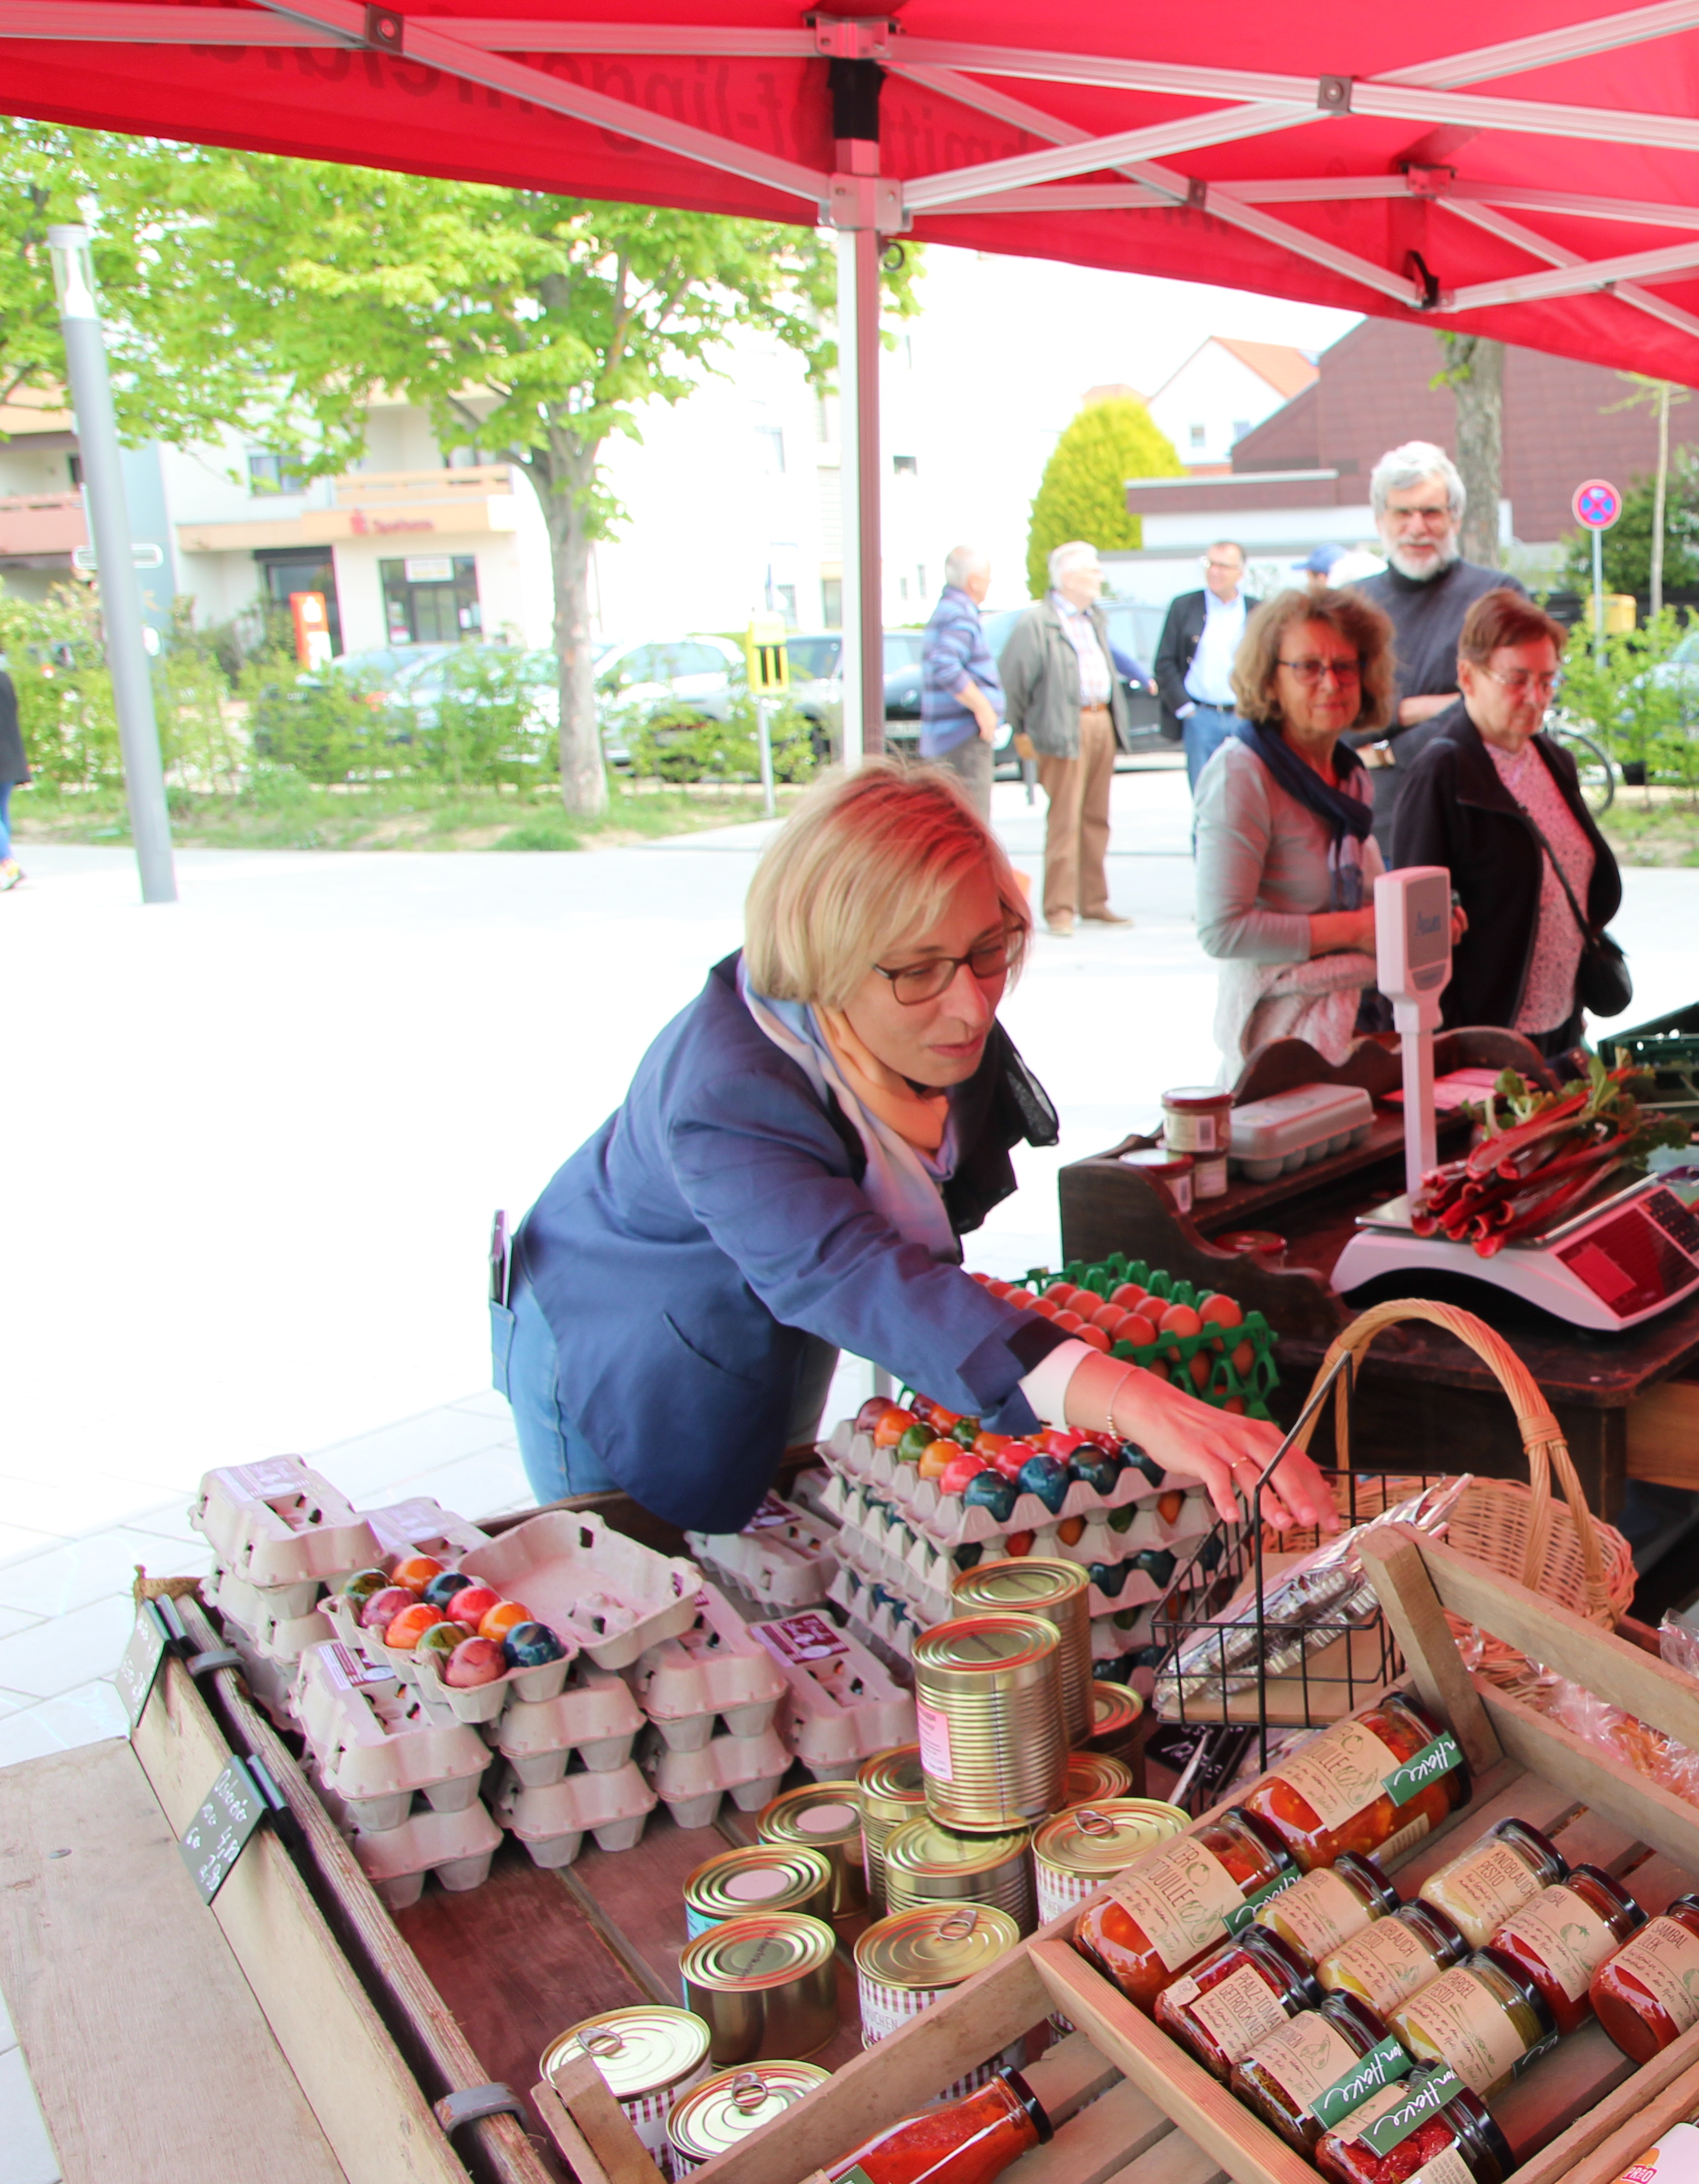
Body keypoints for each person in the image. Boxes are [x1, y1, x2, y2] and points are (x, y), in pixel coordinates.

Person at [497, 758, 1333, 1536]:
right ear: (826, 961)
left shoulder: (913, 1010)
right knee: (645, 1560)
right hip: (628, 1345)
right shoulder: (725, 1098)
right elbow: (861, 1277)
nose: (972, 1008)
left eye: (988, 951)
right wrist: (1138, 1402)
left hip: (776, 1317)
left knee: (765, 1489)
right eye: (919, 970)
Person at [1390, 590, 1623, 1057]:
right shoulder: (1442, 774)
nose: (1536, 697)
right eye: (1517, 680)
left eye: (1547, 680)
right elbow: (1416, 934)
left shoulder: (1553, 760)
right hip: (1486, 1035)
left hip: (1562, 1021)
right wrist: (1451, 1044)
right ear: (1467, 676)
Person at [1195, 586, 1401, 1079]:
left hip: (1354, 1031)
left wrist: (1420, 919)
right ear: (1271, 680)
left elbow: (1365, 898)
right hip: (1279, 1050)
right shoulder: (1242, 774)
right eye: (1308, 667)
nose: (1331, 683)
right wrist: (1358, 930)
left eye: (1345, 666)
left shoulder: (1349, 776)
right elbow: (1223, 931)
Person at [1339, 441, 1523, 846]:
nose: (1417, 527)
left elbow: (1505, 707)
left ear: (1455, 518)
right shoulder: (1346, 608)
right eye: (1402, 512)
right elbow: (1331, 717)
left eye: (1431, 512)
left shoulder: (1497, 599)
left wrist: (1387, 753)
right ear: (1380, 520)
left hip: (1475, 826)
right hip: (1374, 830)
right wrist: (1409, 710)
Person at [998, 542, 1136, 935]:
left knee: (1096, 819)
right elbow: (1013, 681)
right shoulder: (1037, 623)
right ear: (1070, 578)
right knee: (1065, 821)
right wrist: (1022, 731)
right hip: (1063, 727)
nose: (1099, 578)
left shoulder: (1094, 619)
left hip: (1100, 720)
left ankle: (1094, 902)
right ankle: (1059, 908)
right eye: (1093, 571)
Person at [917, 545, 1007, 818]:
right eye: (988, 576)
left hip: (948, 739)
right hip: (963, 740)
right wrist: (983, 708)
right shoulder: (960, 613)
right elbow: (945, 664)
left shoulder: (948, 609)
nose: (990, 582)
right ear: (974, 581)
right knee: (972, 823)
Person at [1157, 539, 1250, 794]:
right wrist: (1186, 709)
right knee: (1205, 796)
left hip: (1244, 717)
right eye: (1210, 564)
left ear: (1240, 573)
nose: (1214, 571)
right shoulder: (1185, 607)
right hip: (1202, 717)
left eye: (1223, 566)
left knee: (1247, 795)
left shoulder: (1257, 610)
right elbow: (1165, 662)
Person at [0, 648, 23, 893]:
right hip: (10, 757)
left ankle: (8, 863)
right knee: (2, 812)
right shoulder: (5, 679)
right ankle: (7, 862)